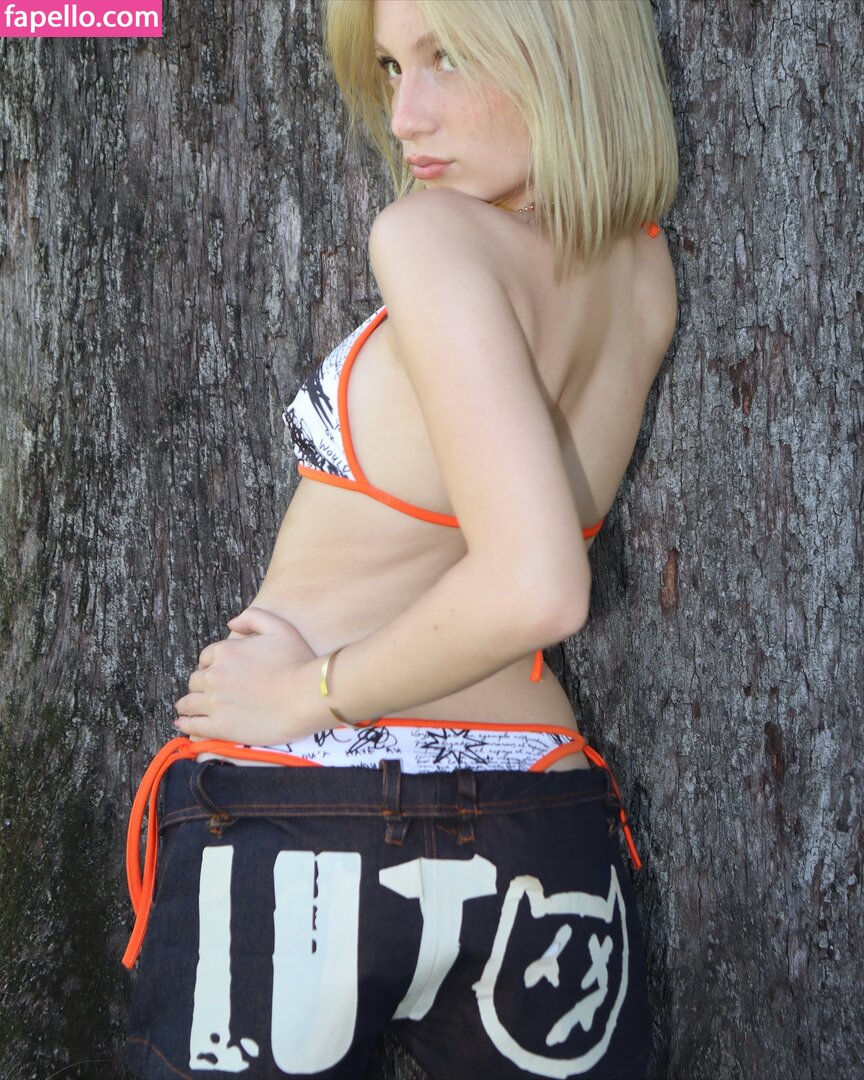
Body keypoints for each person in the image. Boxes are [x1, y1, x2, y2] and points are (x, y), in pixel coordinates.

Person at [123, 1, 679, 1077]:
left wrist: (304, 695)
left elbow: (537, 584)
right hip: (539, 814)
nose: (406, 114)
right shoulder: (642, 271)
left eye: (448, 58)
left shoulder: (428, 236)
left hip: (313, 805)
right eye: (388, 67)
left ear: (563, 49)